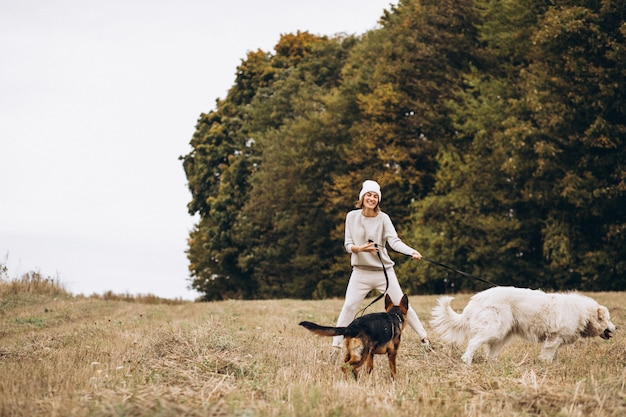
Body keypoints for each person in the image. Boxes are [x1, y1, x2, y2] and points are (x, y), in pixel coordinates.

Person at [332, 179, 431, 353]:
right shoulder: (351, 216)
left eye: (375, 196)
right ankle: (335, 346)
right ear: (362, 197)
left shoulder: (383, 218)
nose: (372, 198)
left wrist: (411, 252)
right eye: (369, 195)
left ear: (378, 200)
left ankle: (425, 340)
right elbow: (348, 245)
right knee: (349, 306)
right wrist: (360, 248)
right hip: (360, 272)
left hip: (383, 272)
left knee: (403, 306)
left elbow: (394, 241)